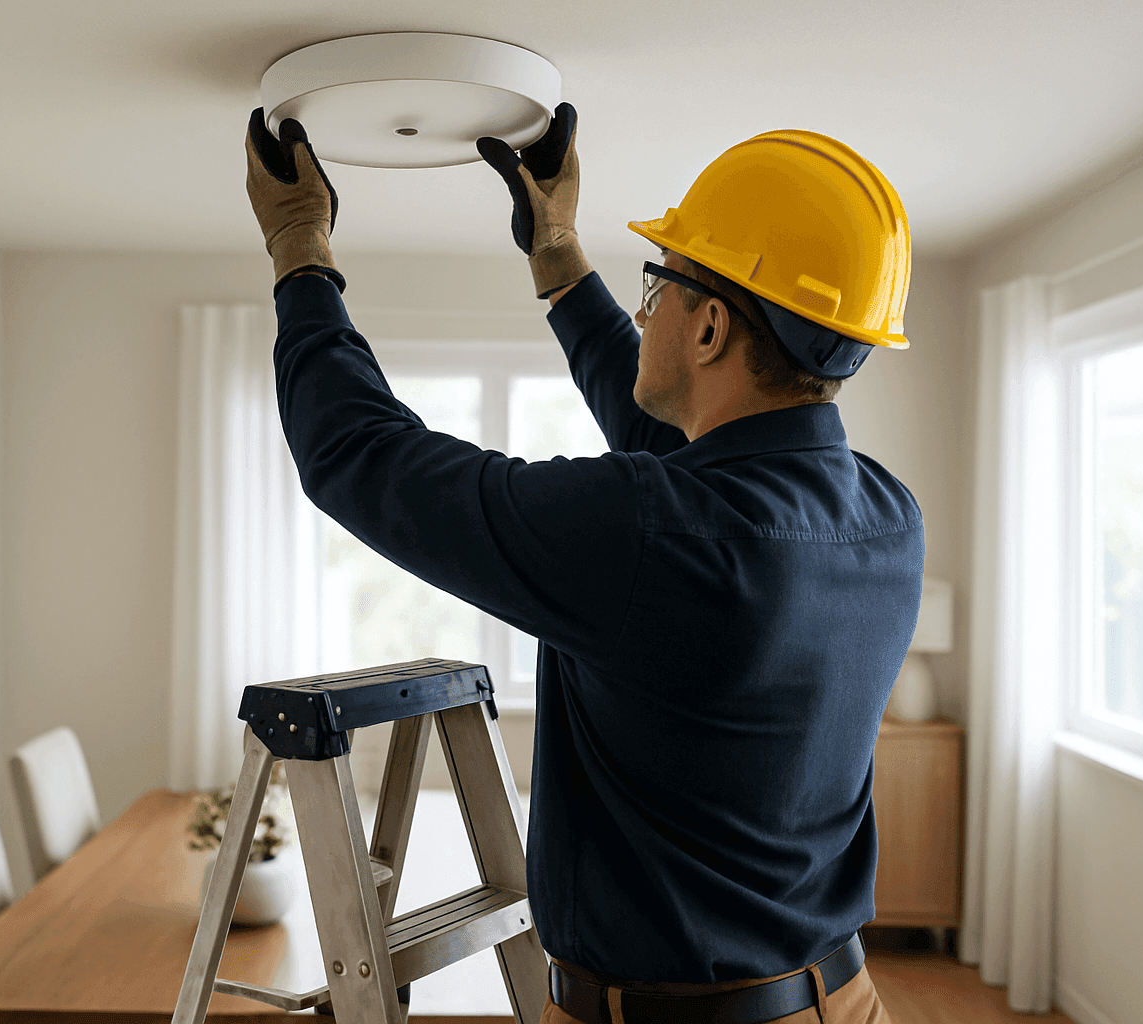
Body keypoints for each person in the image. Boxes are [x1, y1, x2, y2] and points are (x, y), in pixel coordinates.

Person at [244, 102, 920, 1024]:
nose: (647, 307)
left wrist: (297, 242)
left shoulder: (647, 532)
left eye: (661, 283)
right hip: (842, 999)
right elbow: (685, 454)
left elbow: (361, 456)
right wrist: (555, 251)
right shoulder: (885, 516)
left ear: (712, 328)